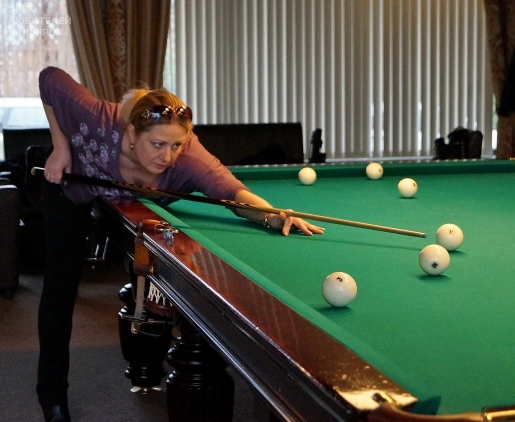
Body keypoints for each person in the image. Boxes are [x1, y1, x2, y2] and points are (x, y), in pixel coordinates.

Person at [36, 66, 324, 422]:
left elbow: (233, 194)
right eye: (157, 144)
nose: (167, 156)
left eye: (175, 145)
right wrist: (60, 146)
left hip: (127, 198)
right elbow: (49, 78)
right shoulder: (97, 119)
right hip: (70, 184)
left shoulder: (189, 157)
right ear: (131, 133)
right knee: (61, 285)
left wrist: (274, 216)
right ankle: (52, 397)